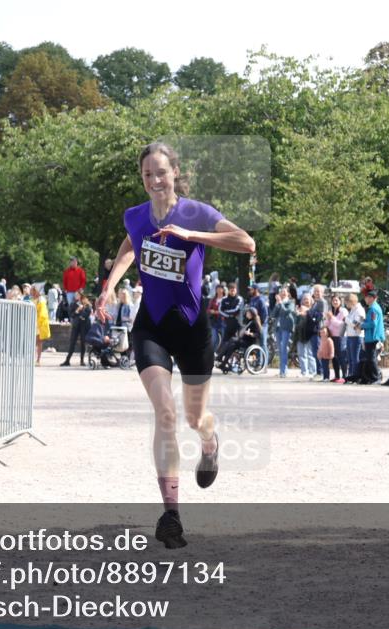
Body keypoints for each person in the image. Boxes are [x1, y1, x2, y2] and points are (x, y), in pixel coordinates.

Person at [96, 141, 254, 549]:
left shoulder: (197, 212)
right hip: (151, 327)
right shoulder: (135, 216)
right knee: (164, 411)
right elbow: (131, 244)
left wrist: (191, 235)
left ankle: (209, 442)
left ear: (175, 173)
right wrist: (110, 286)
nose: (154, 181)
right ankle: (171, 515)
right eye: (147, 174)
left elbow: (246, 242)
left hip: (193, 329)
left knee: (193, 418)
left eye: (160, 173)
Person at [215, 307, 261, 372]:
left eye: (248, 313)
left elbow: (258, 334)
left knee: (233, 339)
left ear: (251, 314)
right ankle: (223, 363)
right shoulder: (248, 321)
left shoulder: (254, 322)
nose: (246, 314)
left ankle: (219, 357)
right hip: (243, 340)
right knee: (231, 346)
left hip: (249, 342)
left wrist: (250, 334)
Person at [270, 287, 296, 378]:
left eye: (285, 292)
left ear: (288, 293)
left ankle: (283, 371)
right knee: (280, 350)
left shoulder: (291, 302)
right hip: (278, 328)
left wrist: (280, 303)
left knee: (284, 348)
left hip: (286, 328)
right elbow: (272, 315)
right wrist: (277, 304)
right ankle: (282, 370)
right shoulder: (279, 303)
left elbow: (286, 312)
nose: (283, 293)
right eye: (281, 292)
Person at [61, 292, 92, 366]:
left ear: (81, 295)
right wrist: (77, 310)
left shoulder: (87, 304)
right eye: (75, 295)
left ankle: (82, 360)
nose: (76, 296)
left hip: (84, 325)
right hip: (76, 325)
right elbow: (71, 315)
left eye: (77, 295)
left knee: (83, 343)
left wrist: (82, 313)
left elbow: (88, 313)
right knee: (72, 342)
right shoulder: (73, 304)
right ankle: (67, 360)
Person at [361, 290, 385, 384]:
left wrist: (362, 325)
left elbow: (372, 324)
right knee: (370, 358)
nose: (366, 299)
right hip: (371, 336)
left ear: (373, 298)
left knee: (372, 359)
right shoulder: (373, 308)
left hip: (373, 337)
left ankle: (376, 378)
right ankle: (371, 377)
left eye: (368, 297)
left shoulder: (373, 309)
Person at [295, 294, 317, 378]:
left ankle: (313, 371)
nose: (306, 301)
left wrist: (306, 312)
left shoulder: (313, 310)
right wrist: (297, 314)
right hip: (300, 334)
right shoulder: (299, 309)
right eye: (304, 299)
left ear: (311, 301)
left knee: (310, 354)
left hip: (309, 334)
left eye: (307, 299)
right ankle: (304, 371)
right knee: (301, 353)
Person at [326, 294, 347, 382]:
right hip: (332, 336)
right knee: (334, 356)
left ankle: (345, 376)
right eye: (333, 300)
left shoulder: (343, 311)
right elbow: (328, 324)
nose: (335, 302)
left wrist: (332, 318)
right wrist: (327, 319)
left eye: (336, 300)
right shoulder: (331, 311)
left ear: (340, 301)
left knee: (341, 356)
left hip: (340, 336)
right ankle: (337, 376)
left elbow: (342, 325)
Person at [344, 293, 365, 381]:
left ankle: (356, 376)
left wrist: (346, 319)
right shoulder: (352, 310)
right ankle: (351, 375)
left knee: (355, 358)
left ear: (351, 301)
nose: (346, 305)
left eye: (346, 303)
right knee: (350, 358)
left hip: (356, 336)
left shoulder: (359, 310)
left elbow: (357, 324)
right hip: (350, 336)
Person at [31, 284, 51, 365]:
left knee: (38, 342)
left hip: (38, 323)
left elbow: (42, 312)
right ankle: (34, 359)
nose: (31, 291)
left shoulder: (41, 299)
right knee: (34, 342)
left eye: (32, 289)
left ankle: (38, 360)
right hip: (33, 322)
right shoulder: (32, 299)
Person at [207, 285, 226, 351]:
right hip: (214, 321)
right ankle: (212, 352)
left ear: (223, 290)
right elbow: (208, 310)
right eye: (217, 289)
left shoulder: (225, 299)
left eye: (220, 289)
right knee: (214, 338)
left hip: (223, 321)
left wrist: (216, 312)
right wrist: (212, 311)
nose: (219, 290)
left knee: (224, 338)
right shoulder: (213, 299)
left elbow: (225, 311)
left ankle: (221, 353)